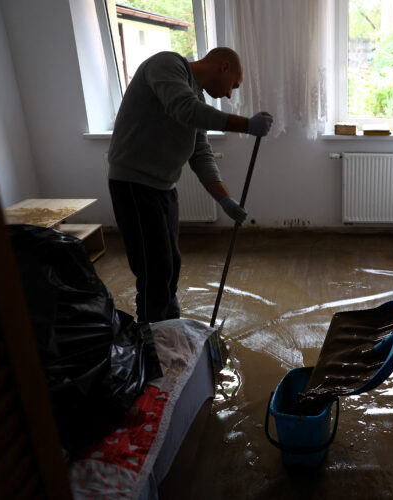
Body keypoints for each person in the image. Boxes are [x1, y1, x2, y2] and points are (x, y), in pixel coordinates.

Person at [107, 47, 272, 324]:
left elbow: (200, 152)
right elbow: (184, 110)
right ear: (224, 67)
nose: (231, 94)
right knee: (155, 270)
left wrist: (225, 200)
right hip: (134, 185)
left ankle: (170, 327)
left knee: (171, 265)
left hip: (163, 188)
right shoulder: (167, 65)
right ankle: (150, 341)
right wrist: (245, 125)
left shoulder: (193, 95)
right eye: (234, 85)